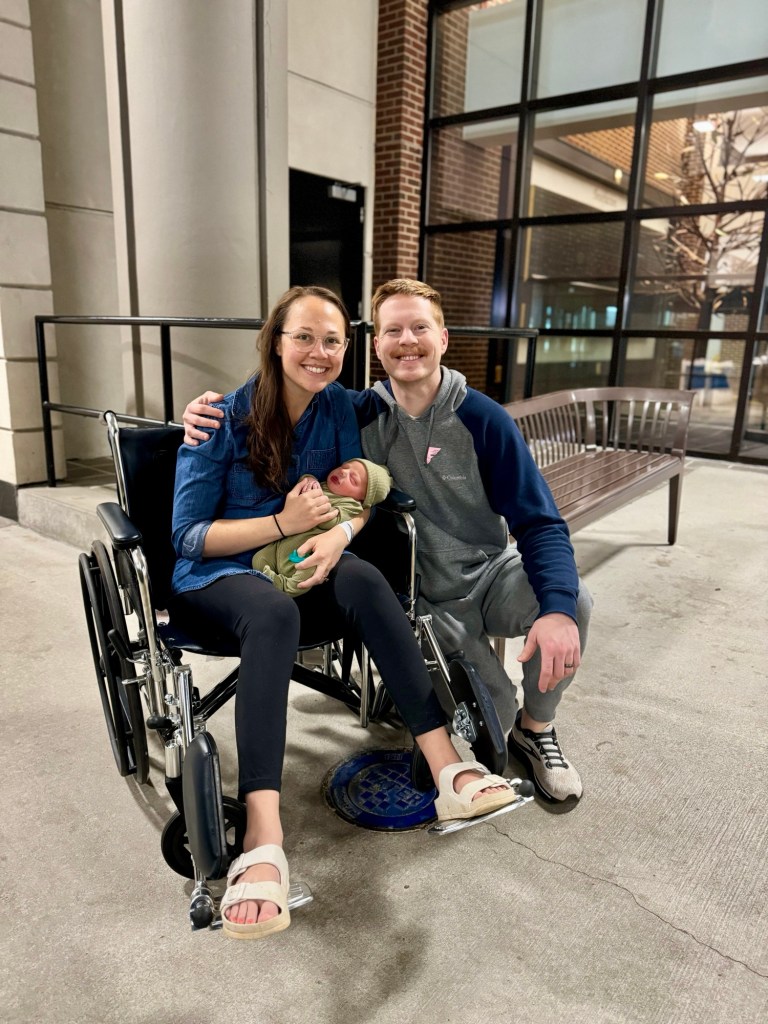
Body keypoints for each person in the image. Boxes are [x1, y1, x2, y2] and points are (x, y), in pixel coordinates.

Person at [170, 284, 524, 942]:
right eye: (303, 337)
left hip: (306, 560)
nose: (319, 351)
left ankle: (446, 765)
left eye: (332, 340)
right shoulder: (220, 418)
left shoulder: (340, 406)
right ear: (275, 342)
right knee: (274, 615)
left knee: (362, 576)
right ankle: (262, 838)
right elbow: (188, 537)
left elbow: (372, 471)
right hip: (223, 574)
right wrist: (282, 522)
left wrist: (339, 533)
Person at [182, 279, 593, 806]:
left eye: (420, 328)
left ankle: (536, 730)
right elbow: (285, 394)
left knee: (574, 603)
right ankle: (491, 723)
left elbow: (541, 524)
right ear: (376, 346)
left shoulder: (482, 419)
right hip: (420, 594)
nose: (408, 341)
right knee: (494, 718)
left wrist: (556, 609)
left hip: (490, 573)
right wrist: (198, 412)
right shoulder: (356, 411)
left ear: (443, 338)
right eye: (393, 331)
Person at [252, 458, 392, 595]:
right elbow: (304, 481)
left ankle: (284, 586)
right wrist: (309, 480)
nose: (343, 472)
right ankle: (267, 576)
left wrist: (315, 507)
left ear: (362, 499)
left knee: (307, 573)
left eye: (352, 479)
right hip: (281, 545)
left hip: (306, 553)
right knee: (259, 558)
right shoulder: (323, 485)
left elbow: (332, 520)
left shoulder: (351, 505)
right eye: (344, 467)